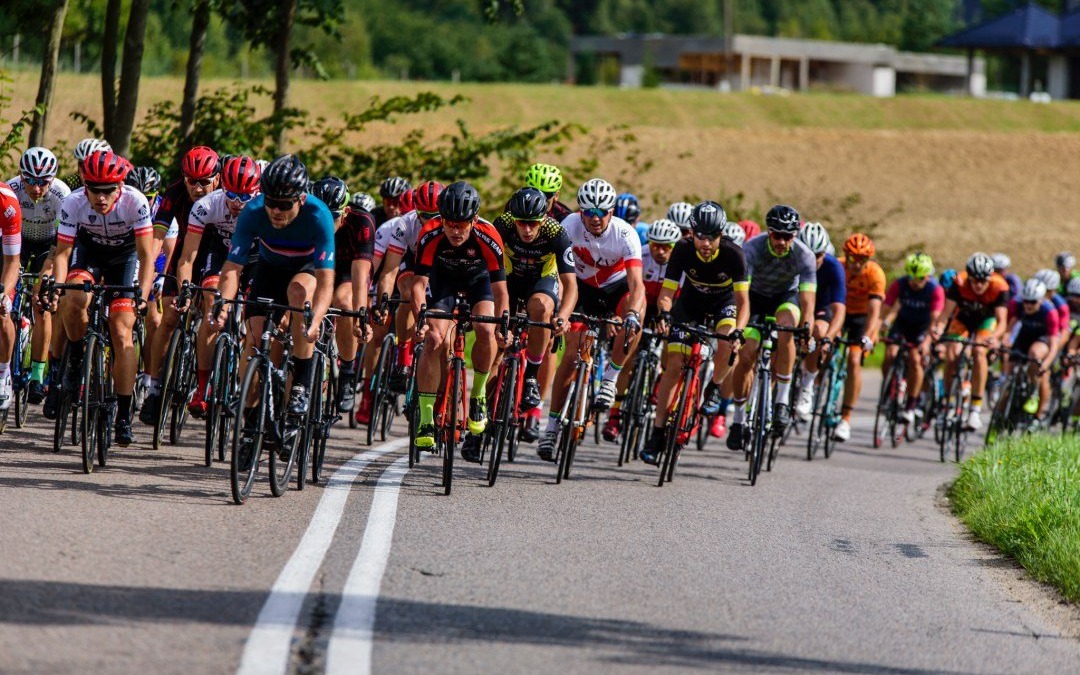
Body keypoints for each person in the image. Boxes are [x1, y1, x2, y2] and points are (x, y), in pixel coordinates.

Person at [208, 154, 337, 425]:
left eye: (284, 204)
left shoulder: (319, 215)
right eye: (271, 202)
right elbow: (232, 268)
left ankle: (300, 384)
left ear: (301, 199)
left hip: (306, 268)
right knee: (255, 338)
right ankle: (252, 415)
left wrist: (315, 320)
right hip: (269, 268)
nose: (276, 211)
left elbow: (326, 280)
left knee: (299, 294)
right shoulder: (253, 211)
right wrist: (223, 303)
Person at [47, 150, 156, 445]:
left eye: (108, 190)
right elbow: (63, 253)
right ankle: (76, 358)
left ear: (120, 187)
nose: (101, 197)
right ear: (86, 186)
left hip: (125, 259)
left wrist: (143, 295)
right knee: (73, 297)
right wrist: (58, 287)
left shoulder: (135, 201)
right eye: (95, 190)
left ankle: (123, 414)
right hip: (89, 254)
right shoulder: (73, 202)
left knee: (121, 332)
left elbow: (146, 256)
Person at [537, 178, 645, 462]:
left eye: (601, 212)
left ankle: (610, 378)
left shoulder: (625, 234)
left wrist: (631, 314)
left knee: (637, 312)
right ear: (580, 211)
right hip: (581, 288)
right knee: (572, 354)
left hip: (616, 289)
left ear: (611, 212)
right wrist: (559, 310)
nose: (595, 218)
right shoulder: (569, 226)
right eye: (589, 212)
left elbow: (637, 285)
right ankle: (551, 428)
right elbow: (556, 273)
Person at [642, 201, 748, 465]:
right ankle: (657, 433)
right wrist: (665, 313)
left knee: (727, 343)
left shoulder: (734, 254)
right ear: (693, 232)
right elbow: (667, 293)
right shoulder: (682, 248)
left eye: (712, 236)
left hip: (724, 303)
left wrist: (739, 331)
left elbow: (743, 303)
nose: (706, 242)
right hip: (691, 304)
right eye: (700, 235)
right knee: (674, 365)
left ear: (721, 234)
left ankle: (714, 387)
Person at [409, 182, 508, 460]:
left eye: (461, 224)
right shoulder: (430, 233)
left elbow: (500, 290)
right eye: (449, 223)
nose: (454, 231)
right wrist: (420, 318)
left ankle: (478, 395)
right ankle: (426, 418)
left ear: (474, 220)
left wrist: (503, 325)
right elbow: (419, 285)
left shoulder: (489, 235)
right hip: (444, 282)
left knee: (486, 328)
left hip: (479, 282)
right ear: (441, 218)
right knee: (434, 338)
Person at [174, 156, 262, 417]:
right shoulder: (206, 205)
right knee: (212, 305)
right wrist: (185, 290)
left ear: (257, 192)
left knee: (256, 319)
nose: (236, 203)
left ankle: (247, 389)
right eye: (231, 194)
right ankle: (203, 387)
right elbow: (187, 258)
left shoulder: (265, 210)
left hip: (255, 259)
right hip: (221, 255)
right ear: (222, 185)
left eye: (244, 197)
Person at [141, 145, 221, 426]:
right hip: (186, 256)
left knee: (212, 309)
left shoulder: (227, 197)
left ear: (218, 178)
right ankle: (154, 388)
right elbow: (157, 235)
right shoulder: (175, 193)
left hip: (217, 255)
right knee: (170, 316)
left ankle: (210, 380)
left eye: (204, 182)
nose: (197, 188)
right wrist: (150, 268)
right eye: (191, 181)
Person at [726, 205, 816, 450]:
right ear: (768, 231)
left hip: (786, 297)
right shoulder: (752, 249)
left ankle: (782, 402)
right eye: (776, 235)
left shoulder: (804, 255)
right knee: (746, 355)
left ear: (795, 235)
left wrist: (807, 328)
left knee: (787, 328)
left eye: (787, 236)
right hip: (754, 298)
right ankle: (738, 420)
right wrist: (739, 327)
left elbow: (808, 300)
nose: (781, 242)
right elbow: (742, 295)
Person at [491, 187, 575, 444]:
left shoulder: (556, 233)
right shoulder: (502, 225)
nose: (527, 229)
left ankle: (531, 377)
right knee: (495, 345)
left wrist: (563, 316)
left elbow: (570, 285)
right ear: (513, 218)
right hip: (509, 279)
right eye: (522, 223)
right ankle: (481, 410)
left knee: (540, 309)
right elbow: (485, 269)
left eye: (533, 223)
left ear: (543, 219)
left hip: (541, 281)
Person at [602, 218, 680, 443]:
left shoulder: (680, 263)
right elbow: (623, 289)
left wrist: (669, 321)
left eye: (666, 247)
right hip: (640, 308)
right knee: (628, 357)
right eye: (656, 245)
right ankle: (614, 415)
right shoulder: (640, 256)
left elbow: (682, 299)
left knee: (672, 346)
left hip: (668, 310)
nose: (660, 251)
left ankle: (660, 381)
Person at [7, 147, 71, 404]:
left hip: (49, 246)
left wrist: (46, 273)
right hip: (17, 243)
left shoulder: (62, 194)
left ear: (52, 178)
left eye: (43, 182)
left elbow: (61, 243)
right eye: (30, 180)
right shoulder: (11, 189)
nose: (36, 188)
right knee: (6, 297)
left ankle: (36, 376)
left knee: (41, 302)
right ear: (21, 175)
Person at [311, 175, 375, 412]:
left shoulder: (362, 222)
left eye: (334, 216)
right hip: (318, 267)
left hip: (349, 272)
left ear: (346, 212)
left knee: (344, 302)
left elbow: (360, 277)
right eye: (322, 215)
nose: (327, 223)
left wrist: (360, 316)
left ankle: (347, 372)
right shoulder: (305, 217)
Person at [933, 252, 1009, 431]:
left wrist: (995, 337)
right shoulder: (959, 282)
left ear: (990, 278)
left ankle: (975, 408)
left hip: (986, 321)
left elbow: (1002, 321)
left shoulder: (999, 286)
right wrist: (939, 328)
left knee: (979, 352)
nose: (978, 285)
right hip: (964, 319)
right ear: (969, 277)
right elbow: (946, 314)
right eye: (974, 280)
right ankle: (949, 403)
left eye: (983, 281)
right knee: (952, 353)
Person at [833, 233, 886, 442]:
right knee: (826, 347)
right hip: (840, 311)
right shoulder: (838, 267)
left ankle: (845, 418)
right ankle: (816, 388)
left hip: (862, 318)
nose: (856, 264)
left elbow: (875, 312)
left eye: (861, 259)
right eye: (852, 258)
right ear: (845, 256)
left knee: (854, 360)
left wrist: (867, 336)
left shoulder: (875, 274)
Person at [879, 252, 945, 424]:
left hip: (922, 327)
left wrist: (927, 342)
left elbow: (935, 320)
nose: (915, 282)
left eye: (920, 278)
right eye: (911, 277)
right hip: (902, 324)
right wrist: (878, 327)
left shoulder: (935, 290)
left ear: (928, 276)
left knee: (916, 360)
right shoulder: (899, 284)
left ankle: (911, 404)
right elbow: (886, 308)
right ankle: (889, 389)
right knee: (890, 355)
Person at [792, 222, 846, 422]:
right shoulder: (791, 259)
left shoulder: (833, 267)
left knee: (820, 332)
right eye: (808, 254)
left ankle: (807, 384)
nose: (813, 260)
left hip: (820, 306)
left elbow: (839, 309)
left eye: (818, 255)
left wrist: (828, 339)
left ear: (826, 252)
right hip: (795, 302)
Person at [1003, 278, 1060, 429]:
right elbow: (1009, 329)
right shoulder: (1018, 305)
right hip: (1024, 336)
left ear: (1041, 300)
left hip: (1042, 341)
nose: (1028, 305)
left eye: (1032, 302)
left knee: (1035, 356)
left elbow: (1054, 344)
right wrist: (1005, 342)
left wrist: (1046, 364)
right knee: (1010, 366)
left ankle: (1034, 395)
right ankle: (1001, 412)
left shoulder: (1050, 312)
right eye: (1026, 301)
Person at [0, 180, 23, 409]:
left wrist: (4, 294)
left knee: (2, 312)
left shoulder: (7, 201)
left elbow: (12, 261)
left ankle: (3, 372)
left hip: (3, 254)